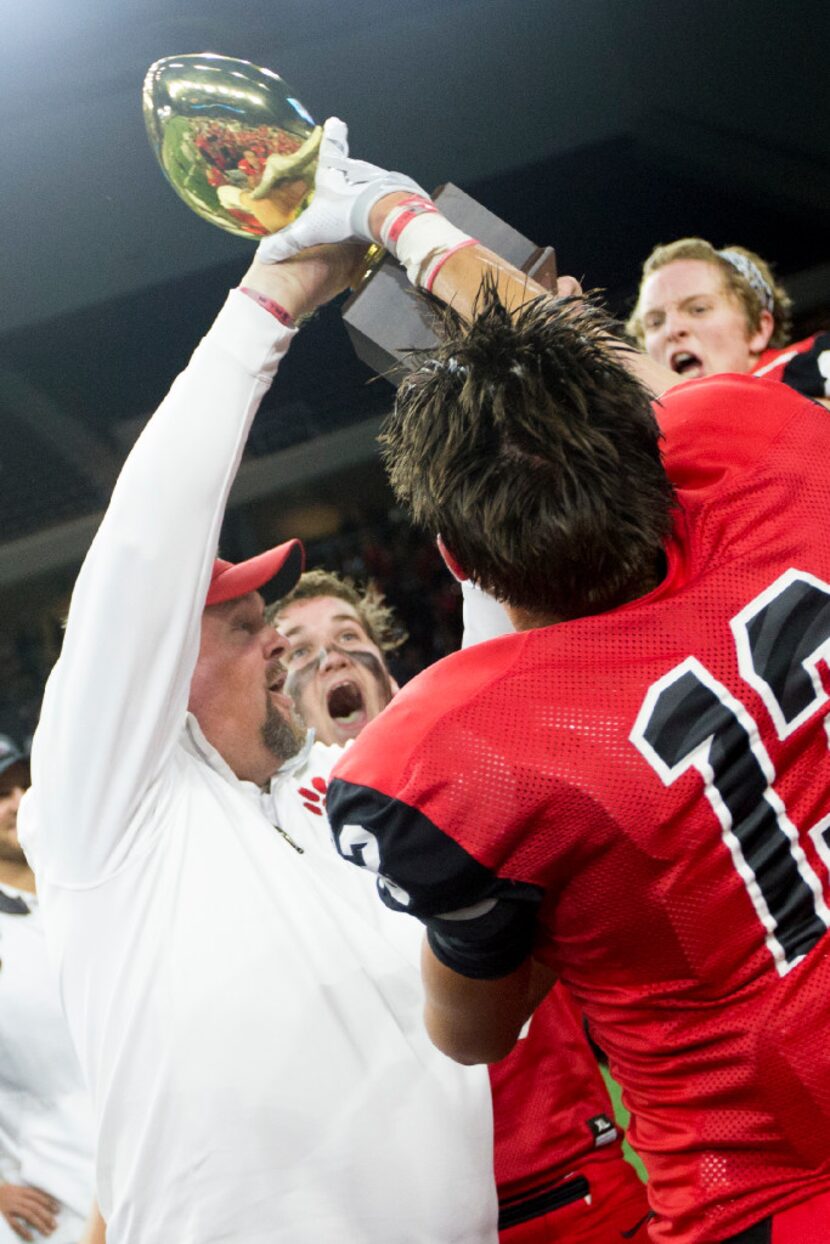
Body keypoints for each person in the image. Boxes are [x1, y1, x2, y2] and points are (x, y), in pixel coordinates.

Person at [259, 127, 830, 1241]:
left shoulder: (473, 749)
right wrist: (402, 222)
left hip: (759, 1188)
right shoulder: (769, 437)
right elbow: (616, 393)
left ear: (461, 563)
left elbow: (471, 1030)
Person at [17, 221, 498, 1237]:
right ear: (155, 668)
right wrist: (270, 299)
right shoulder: (111, 817)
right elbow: (144, 541)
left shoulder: (328, 796)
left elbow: (486, 711)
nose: (275, 638)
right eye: (242, 624)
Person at [269, 569, 650, 1242]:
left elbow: (491, 615)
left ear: (391, 675)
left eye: (350, 636)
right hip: (420, 1222)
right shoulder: (269, 840)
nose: (329, 656)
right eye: (296, 650)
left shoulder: (470, 754)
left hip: (572, 1183)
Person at [0, 735, 99, 1244]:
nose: (18, 803)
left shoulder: (85, 888)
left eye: (24, 785)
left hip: (142, 1155)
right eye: (1, 794)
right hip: (50, 1195)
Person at [627, 237, 830, 407]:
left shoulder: (812, 362)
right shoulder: (642, 434)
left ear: (759, 329)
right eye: (655, 323)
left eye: (698, 309)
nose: (672, 330)